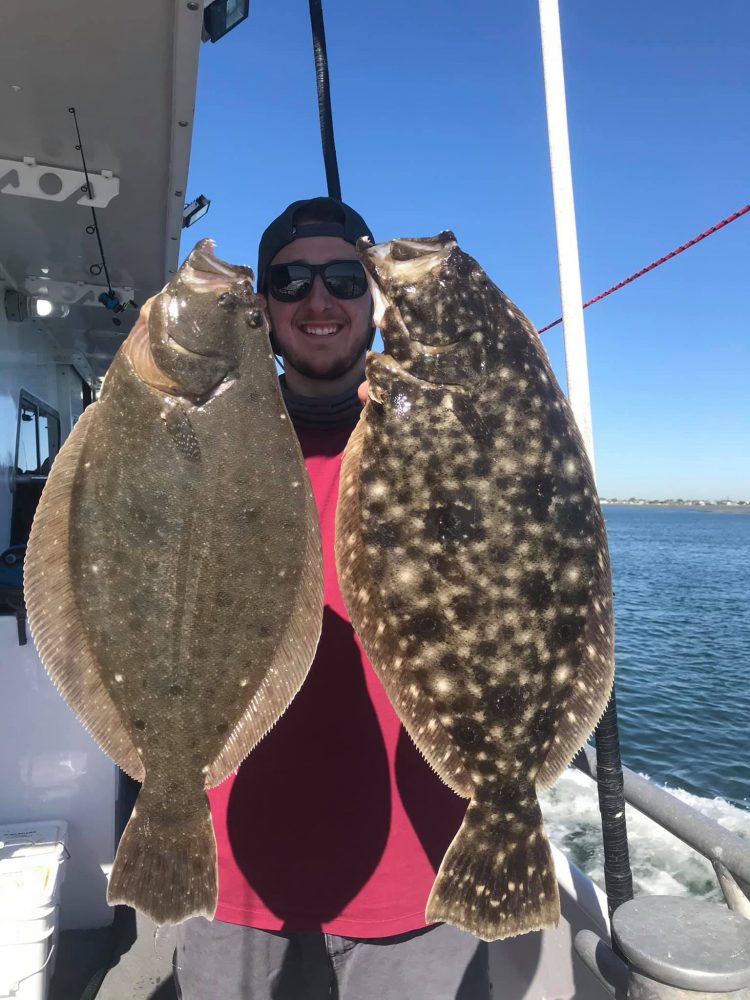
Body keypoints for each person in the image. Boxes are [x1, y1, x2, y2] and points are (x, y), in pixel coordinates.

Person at [174, 197, 492, 999]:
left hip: (419, 872)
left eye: (345, 278)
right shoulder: (199, 436)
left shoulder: (453, 437)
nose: (319, 301)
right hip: (224, 867)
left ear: (375, 298)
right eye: (292, 281)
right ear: (263, 306)